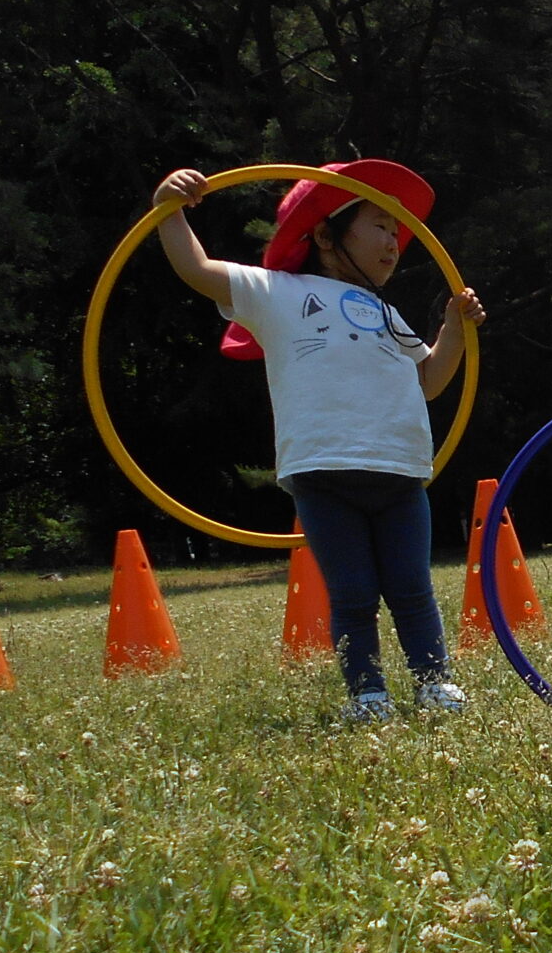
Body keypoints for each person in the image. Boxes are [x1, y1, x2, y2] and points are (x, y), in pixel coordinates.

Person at [152, 160, 487, 718]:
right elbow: (197, 269)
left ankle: (433, 683)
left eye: (398, 231)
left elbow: (429, 380)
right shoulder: (277, 292)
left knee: (413, 588)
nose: (394, 242)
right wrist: (168, 209)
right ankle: (368, 694)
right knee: (353, 593)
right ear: (327, 236)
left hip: (400, 472)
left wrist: (454, 328)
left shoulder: (386, 312)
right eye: (380, 225)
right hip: (323, 473)